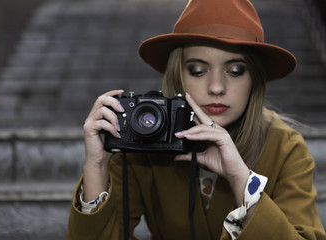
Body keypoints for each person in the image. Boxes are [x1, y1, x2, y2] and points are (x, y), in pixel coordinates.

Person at [66, 0, 326, 239]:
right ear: (177, 75)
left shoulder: (286, 148)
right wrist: (96, 166)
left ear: (254, 81)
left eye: (235, 71)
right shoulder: (144, 140)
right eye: (198, 70)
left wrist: (241, 179)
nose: (216, 87)